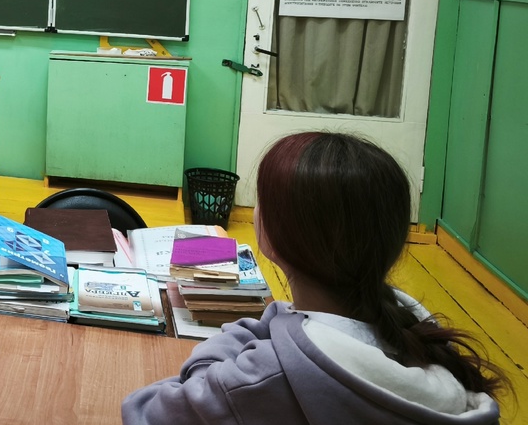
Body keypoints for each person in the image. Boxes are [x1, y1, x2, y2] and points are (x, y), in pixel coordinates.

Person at [123, 132, 508, 425]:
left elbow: (144, 411)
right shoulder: (414, 327)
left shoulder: (261, 378)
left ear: (281, 236)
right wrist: (279, 320)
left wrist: (242, 338)